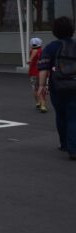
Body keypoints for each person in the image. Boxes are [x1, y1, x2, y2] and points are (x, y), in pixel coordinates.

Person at [38, 16, 76, 158]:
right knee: (73, 117)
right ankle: (74, 149)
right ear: (72, 30)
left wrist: (41, 86)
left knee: (61, 115)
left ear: (55, 31)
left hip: (58, 87)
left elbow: (43, 68)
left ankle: (65, 144)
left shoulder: (51, 47)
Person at [28, 37, 47, 113]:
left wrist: (30, 60)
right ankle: (43, 105)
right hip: (41, 72)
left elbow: (31, 57)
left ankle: (38, 102)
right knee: (41, 87)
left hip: (32, 73)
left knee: (35, 88)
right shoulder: (41, 51)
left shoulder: (32, 50)